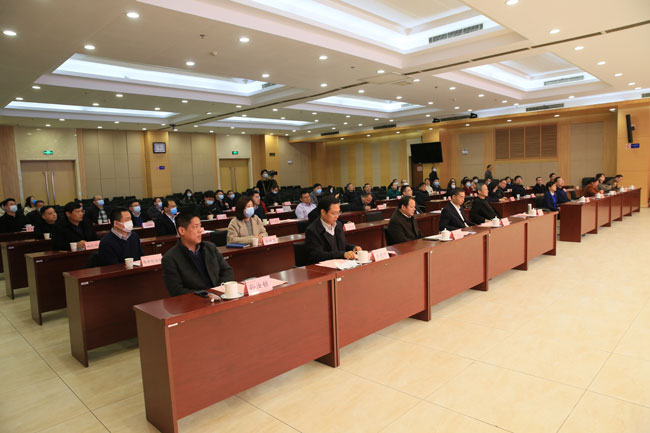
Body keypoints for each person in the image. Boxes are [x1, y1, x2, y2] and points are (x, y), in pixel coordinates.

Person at [161, 212, 234, 298]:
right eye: (195, 227)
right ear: (182, 231)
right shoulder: (170, 258)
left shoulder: (210, 247)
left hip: (220, 295)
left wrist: (219, 289)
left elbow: (227, 271)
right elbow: (176, 290)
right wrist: (206, 295)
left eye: (200, 226)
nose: (200, 230)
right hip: (195, 301)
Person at [304, 195, 361, 265]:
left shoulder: (338, 225)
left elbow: (342, 245)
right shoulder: (312, 230)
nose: (337, 216)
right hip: (324, 268)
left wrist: (352, 248)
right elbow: (317, 255)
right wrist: (342, 254)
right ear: (323, 212)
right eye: (334, 213)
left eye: (338, 212)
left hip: (341, 265)